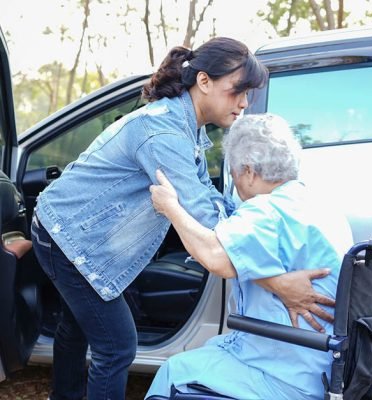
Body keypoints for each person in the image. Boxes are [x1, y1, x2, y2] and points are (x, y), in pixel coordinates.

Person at [31, 37, 333, 400]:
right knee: (117, 346)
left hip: (86, 233)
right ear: (204, 81)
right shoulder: (163, 134)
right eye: (238, 90)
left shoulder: (188, 127)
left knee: (77, 327)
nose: (244, 103)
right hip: (67, 237)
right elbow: (203, 217)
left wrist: (251, 220)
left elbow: (209, 199)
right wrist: (278, 280)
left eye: (249, 93)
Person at [147, 113, 354, 400]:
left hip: (286, 372)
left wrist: (170, 207)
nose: (235, 181)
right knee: (210, 349)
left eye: (232, 172)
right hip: (323, 363)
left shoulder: (265, 212)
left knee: (173, 372)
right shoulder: (317, 203)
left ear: (248, 171)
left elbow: (215, 257)